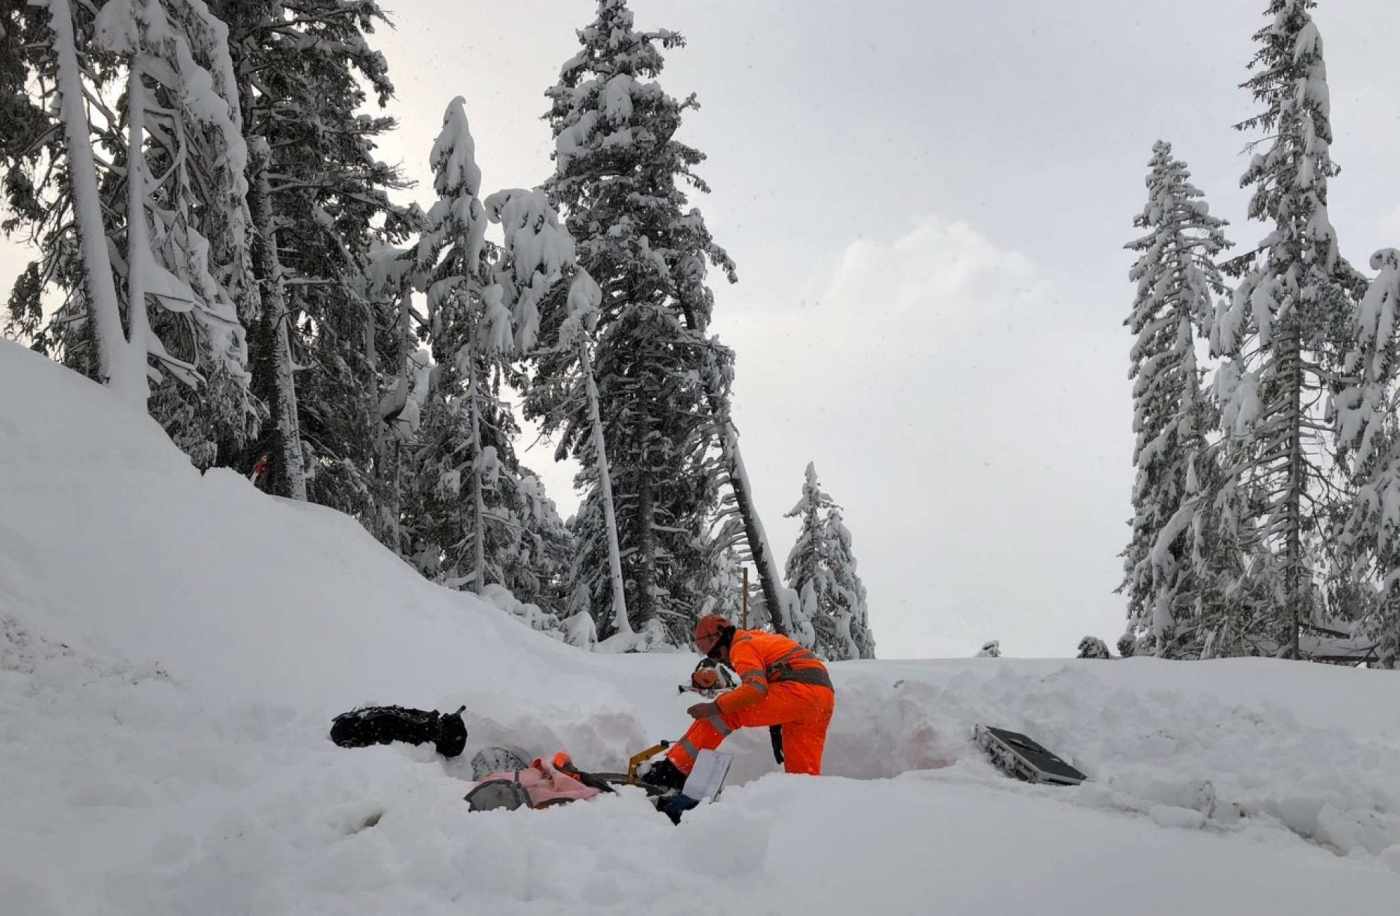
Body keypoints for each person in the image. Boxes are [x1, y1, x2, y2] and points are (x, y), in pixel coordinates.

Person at [645, 614, 836, 790]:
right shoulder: (758, 638)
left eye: (716, 655)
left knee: (721, 713)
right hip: (823, 697)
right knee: (802, 776)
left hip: (798, 691)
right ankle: (804, 809)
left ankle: (672, 771)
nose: (722, 660)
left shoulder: (741, 646)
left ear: (721, 639)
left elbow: (756, 689)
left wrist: (715, 706)